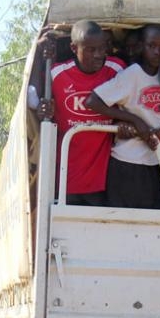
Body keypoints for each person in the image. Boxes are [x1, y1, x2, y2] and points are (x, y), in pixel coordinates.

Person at [35, 20, 124, 206]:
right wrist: (38, 54)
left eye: (101, 48)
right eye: (91, 50)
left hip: (104, 182)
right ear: (74, 48)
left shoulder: (117, 70)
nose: (99, 55)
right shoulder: (57, 74)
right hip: (65, 181)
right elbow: (35, 99)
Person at [85, 24, 160, 209]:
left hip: (154, 161)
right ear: (141, 46)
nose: (158, 51)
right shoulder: (132, 74)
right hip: (126, 163)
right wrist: (134, 120)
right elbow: (93, 101)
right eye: (151, 45)